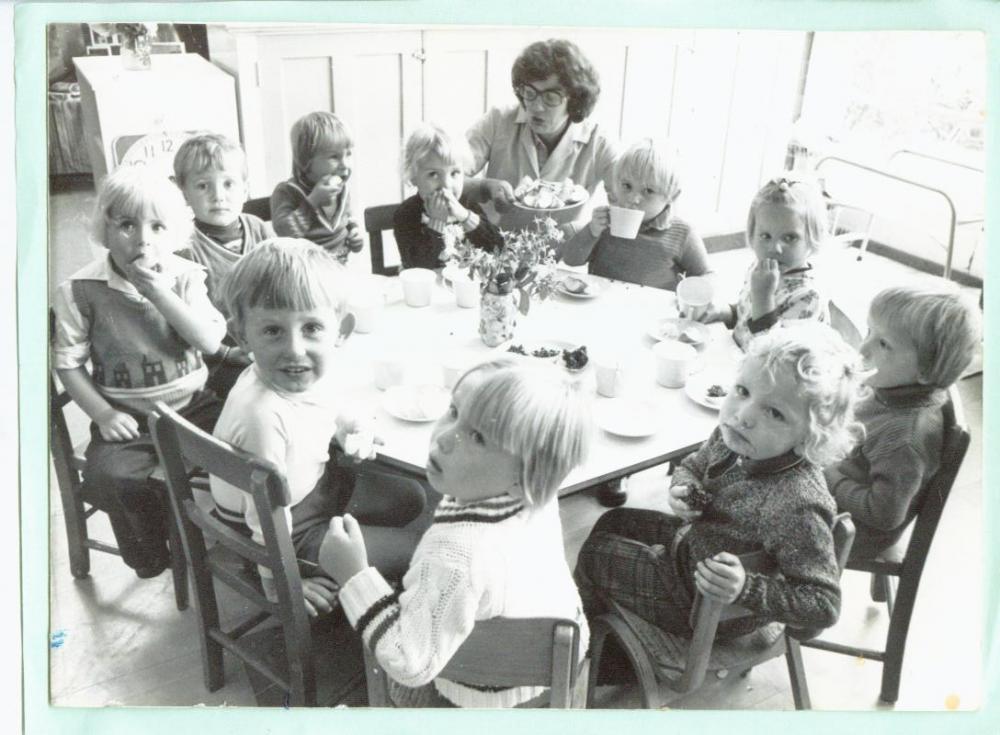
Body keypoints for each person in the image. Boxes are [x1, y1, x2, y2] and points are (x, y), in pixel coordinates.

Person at [319, 360, 592, 707]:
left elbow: (409, 663)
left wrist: (353, 576)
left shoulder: (454, 555)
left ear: (524, 475)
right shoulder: (538, 494)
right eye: (453, 411)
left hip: (475, 698)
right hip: (557, 666)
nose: (445, 438)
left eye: (478, 437)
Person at [575, 324, 866, 646]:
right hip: (693, 548)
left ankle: (596, 650)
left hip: (708, 604)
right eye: (742, 391)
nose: (743, 415)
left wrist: (746, 588)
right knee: (612, 520)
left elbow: (823, 606)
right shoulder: (737, 438)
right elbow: (693, 466)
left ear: (812, 437)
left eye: (774, 413)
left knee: (594, 553)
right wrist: (682, 488)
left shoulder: (797, 503)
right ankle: (605, 621)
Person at [210, 238, 426, 615]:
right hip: (284, 531)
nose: (295, 349)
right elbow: (263, 518)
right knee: (418, 552)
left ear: (339, 331)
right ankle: (361, 605)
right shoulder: (262, 415)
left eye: (311, 328)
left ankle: (362, 572)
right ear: (242, 335)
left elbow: (331, 401)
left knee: (412, 498)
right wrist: (283, 584)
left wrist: (348, 427)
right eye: (273, 331)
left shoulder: (301, 371)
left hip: (311, 490)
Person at [53, 166, 226, 578]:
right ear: (105, 229)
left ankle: (227, 536)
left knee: (248, 447)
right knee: (110, 476)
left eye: (158, 227)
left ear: (176, 233)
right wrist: (103, 414)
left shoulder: (185, 277)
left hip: (195, 407)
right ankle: (152, 554)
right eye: (127, 225)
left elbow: (208, 342)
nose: (144, 240)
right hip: (129, 419)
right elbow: (68, 363)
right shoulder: (80, 291)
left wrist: (158, 293)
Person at [825, 284, 981, 561]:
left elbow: (884, 515)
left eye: (883, 343)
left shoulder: (905, 439)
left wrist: (830, 478)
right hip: (839, 484)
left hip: (849, 533)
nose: (863, 347)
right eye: (869, 331)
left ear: (925, 370)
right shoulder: (894, 387)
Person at [464, 38, 618, 235]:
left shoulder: (599, 141)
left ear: (574, 100)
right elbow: (447, 174)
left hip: (562, 256)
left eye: (551, 97)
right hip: (493, 246)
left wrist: (587, 231)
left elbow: (630, 195)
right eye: (530, 92)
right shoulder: (497, 120)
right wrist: (485, 187)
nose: (536, 107)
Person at [172, 132, 273, 397]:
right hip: (219, 357)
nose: (218, 196)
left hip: (270, 337)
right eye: (204, 186)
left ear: (245, 188)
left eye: (228, 184)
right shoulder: (185, 247)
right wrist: (226, 353)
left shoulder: (259, 229)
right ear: (183, 193)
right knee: (255, 397)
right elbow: (184, 323)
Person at [698, 176, 830, 349]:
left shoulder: (809, 297)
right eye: (765, 236)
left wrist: (763, 296)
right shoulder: (760, 268)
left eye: (790, 237)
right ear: (752, 235)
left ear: (814, 238)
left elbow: (773, 357)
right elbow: (746, 316)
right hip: (738, 359)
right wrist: (726, 312)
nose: (775, 248)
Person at [561, 138, 710, 290]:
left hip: (653, 310)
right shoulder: (605, 222)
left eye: (648, 191)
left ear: (672, 196)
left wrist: (690, 294)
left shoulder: (682, 233)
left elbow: (707, 274)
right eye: (627, 186)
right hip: (603, 305)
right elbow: (571, 260)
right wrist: (591, 232)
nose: (633, 199)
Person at [393, 123, 503, 270]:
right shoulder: (406, 214)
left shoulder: (467, 205)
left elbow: (497, 248)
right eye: (433, 174)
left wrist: (465, 217)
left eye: (454, 173)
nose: (446, 185)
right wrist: (436, 223)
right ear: (413, 177)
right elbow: (417, 267)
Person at [270, 111, 364, 264]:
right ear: (305, 161)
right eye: (334, 157)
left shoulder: (342, 190)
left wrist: (354, 233)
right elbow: (285, 234)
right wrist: (312, 202)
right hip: (303, 275)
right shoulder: (287, 192)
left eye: (348, 154)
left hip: (339, 270)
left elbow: (348, 217)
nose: (345, 164)